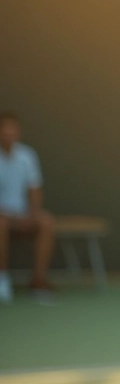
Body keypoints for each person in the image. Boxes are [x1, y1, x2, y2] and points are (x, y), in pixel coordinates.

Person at [0, 111, 56, 304]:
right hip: (2, 217)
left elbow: (35, 189)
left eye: (12, 130)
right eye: (4, 129)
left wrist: (32, 213)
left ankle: (38, 281)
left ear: (18, 132)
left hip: (22, 215)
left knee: (46, 221)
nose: (8, 133)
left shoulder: (27, 155)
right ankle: (3, 279)